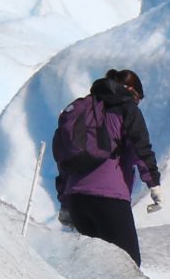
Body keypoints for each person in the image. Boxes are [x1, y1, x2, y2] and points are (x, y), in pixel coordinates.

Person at [53, 69, 163, 265]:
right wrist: (153, 182)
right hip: (109, 199)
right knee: (127, 268)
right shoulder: (126, 108)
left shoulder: (83, 107)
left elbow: (65, 159)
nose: (137, 102)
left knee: (93, 269)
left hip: (76, 200)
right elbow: (140, 146)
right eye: (138, 97)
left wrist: (64, 203)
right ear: (131, 91)